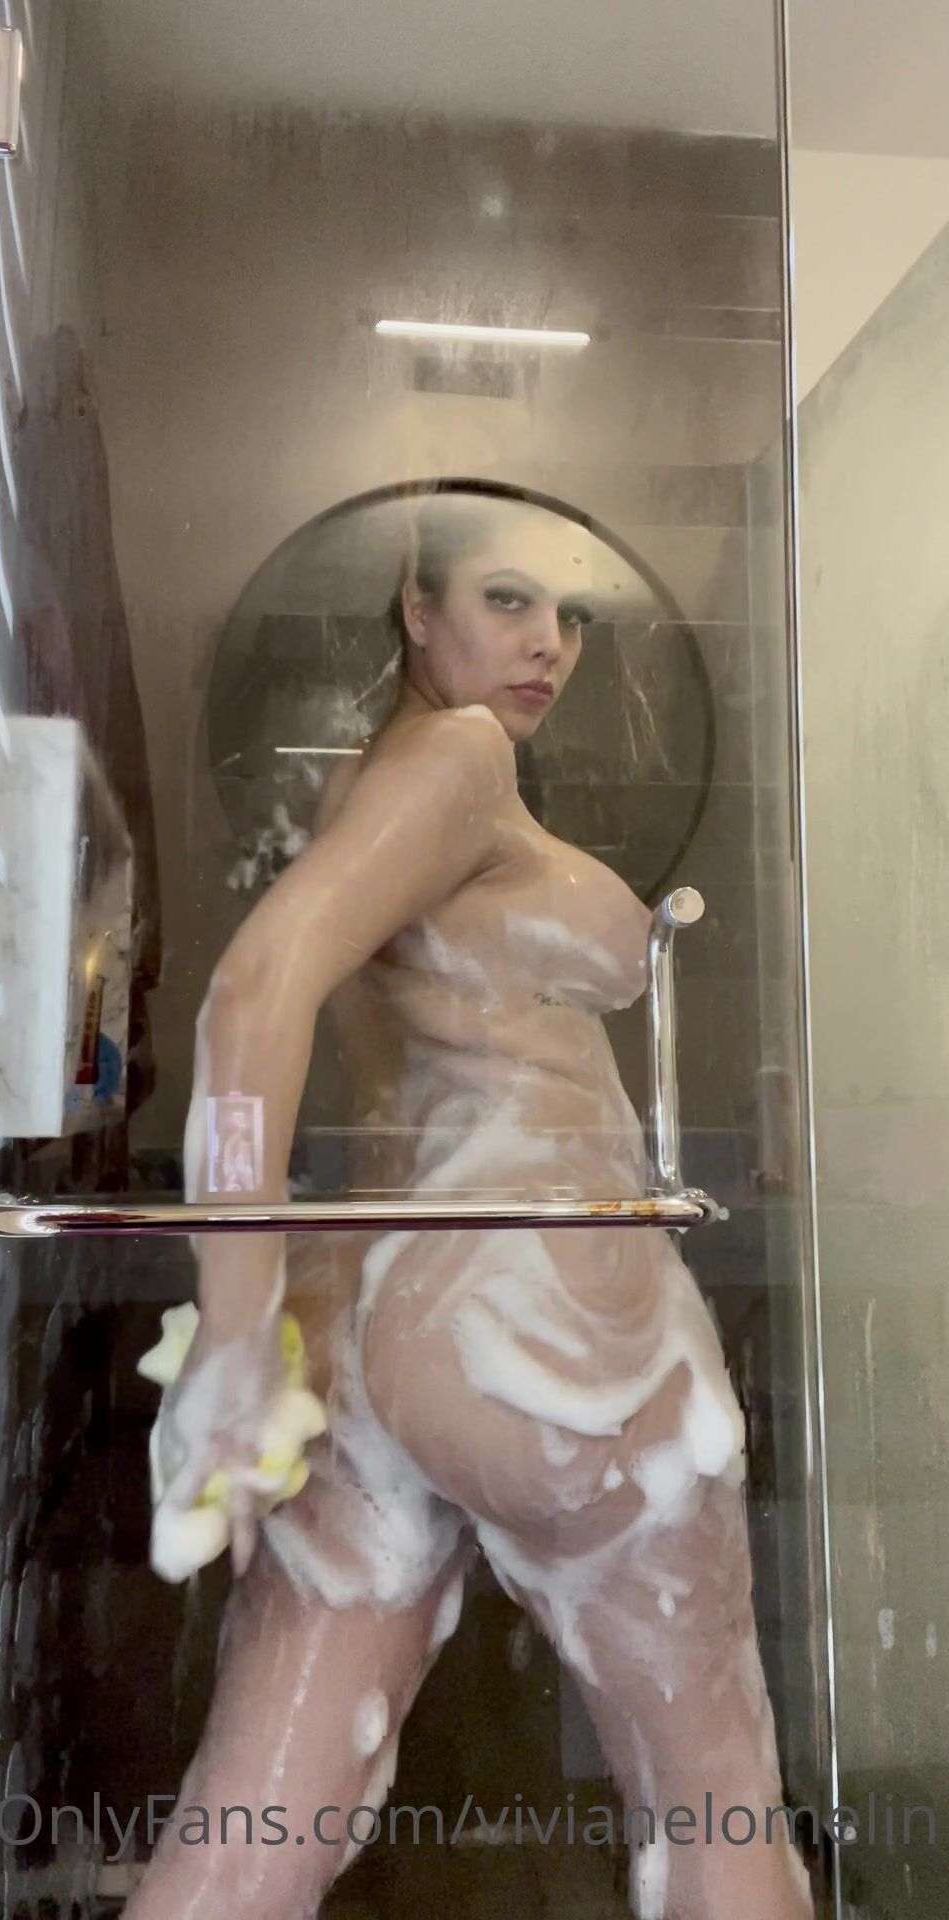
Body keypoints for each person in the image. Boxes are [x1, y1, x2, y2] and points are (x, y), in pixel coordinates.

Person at [124, 491, 814, 1920]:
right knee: (716, 1805)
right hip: (549, 1320)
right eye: (506, 599)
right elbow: (251, 995)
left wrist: (256, 1335)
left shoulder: (365, 792)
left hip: (369, 1322)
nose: (549, 641)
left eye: (570, 613)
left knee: (244, 1847)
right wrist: (229, 1341)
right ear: (416, 611)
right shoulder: (460, 760)